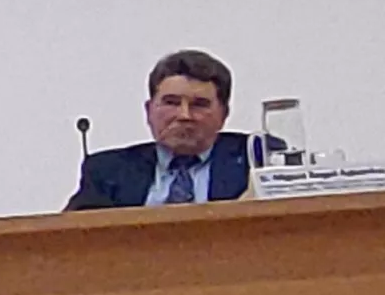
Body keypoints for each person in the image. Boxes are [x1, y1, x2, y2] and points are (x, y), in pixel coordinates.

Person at [66, 50, 254, 209]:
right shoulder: (107, 171)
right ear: (149, 111)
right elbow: (70, 234)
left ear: (224, 114)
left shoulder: (255, 159)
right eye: (171, 103)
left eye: (199, 105)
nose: (184, 115)